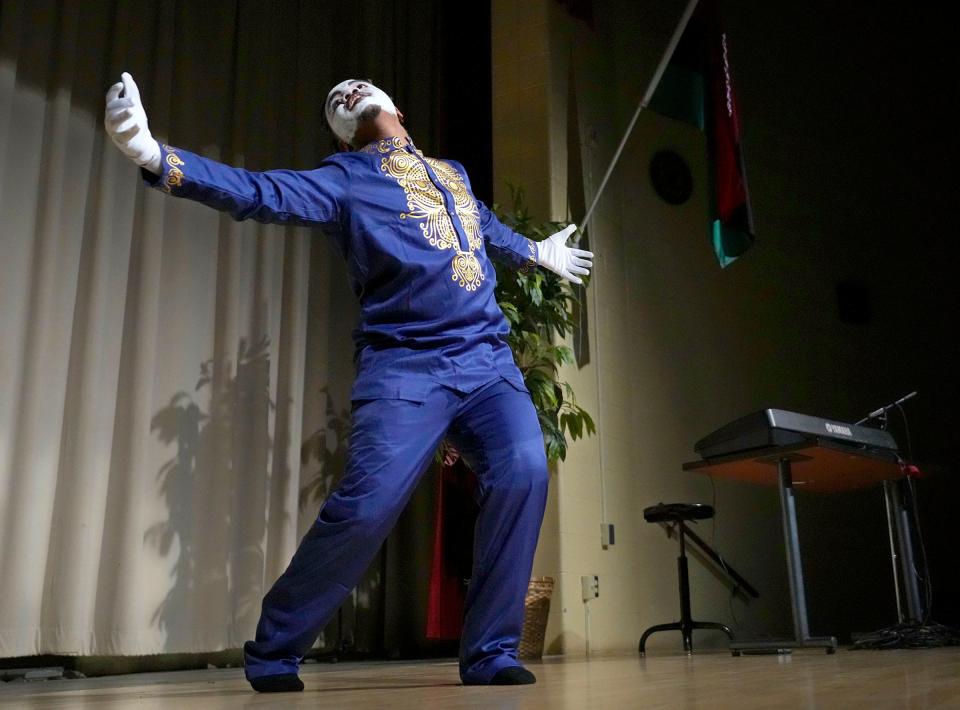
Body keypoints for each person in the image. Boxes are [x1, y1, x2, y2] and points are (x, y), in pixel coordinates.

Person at [104, 72, 593, 692]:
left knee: (525, 468)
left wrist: (535, 252)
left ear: (396, 106)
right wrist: (155, 156)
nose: (346, 93)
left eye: (356, 88)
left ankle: (492, 652)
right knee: (366, 507)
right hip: (405, 367)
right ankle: (275, 649)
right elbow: (260, 191)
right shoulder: (344, 180)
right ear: (340, 133)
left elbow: (485, 230)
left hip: (487, 362)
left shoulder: (454, 173)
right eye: (334, 98)